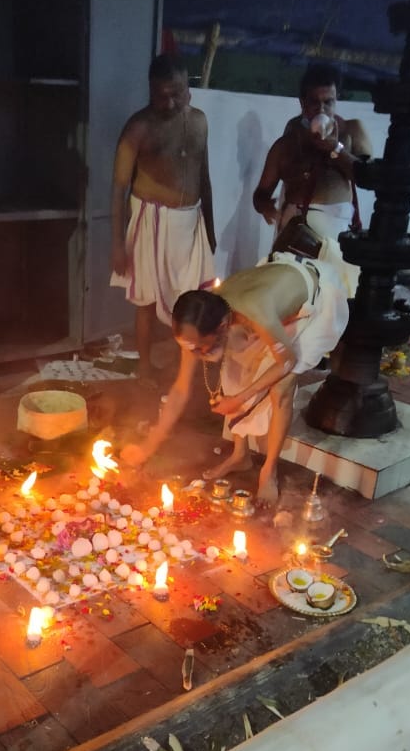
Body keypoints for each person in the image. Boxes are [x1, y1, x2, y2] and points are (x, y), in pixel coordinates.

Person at [120, 242, 350, 503]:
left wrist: (240, 399)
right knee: (234, 369)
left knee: (281, 386)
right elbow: (180, 389)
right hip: (272, 291)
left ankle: (269, 472)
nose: (195, 354)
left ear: (221, 327)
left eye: (200, 348)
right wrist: (147, 447)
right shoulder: (197, 321)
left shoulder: (255, 311)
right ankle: (241, 456)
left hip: (311, 301)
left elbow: (286, 361)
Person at [110, 53, 216, 382]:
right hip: (151, 220)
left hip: (190, 220)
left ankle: (183, 369)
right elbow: (118, 188)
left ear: (189, 89)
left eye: (178, 93)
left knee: (193, 298)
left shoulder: (199, 121)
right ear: (150, 92)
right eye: (162, 95)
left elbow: (204, 176)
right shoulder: (139, 127)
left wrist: (210, 228)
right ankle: (144, 366)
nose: (170, 103)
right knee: (145, 299)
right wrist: (116, 244)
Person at [252, 64, 373, 246]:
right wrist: (266, 207)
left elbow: (368, 177)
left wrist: (336, 149)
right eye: (315, 102)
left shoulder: (352, 130)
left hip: (338, 234)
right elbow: (260, 194)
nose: (321, 109)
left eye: (328, 102)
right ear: (303, 103)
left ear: (336, 100)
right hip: (294, 233)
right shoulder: (288, 143)